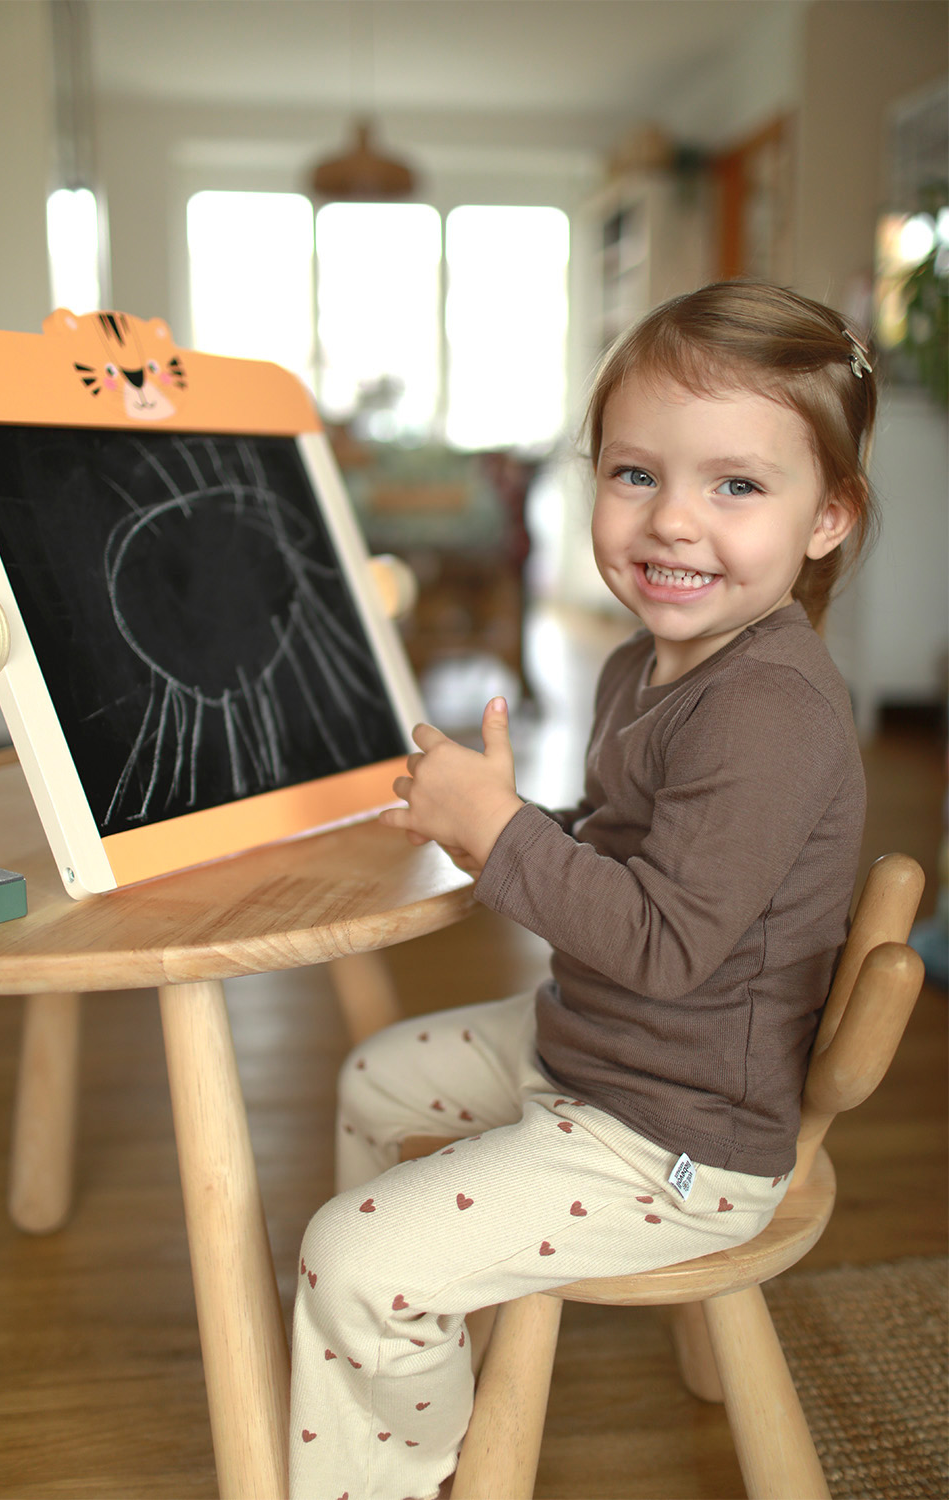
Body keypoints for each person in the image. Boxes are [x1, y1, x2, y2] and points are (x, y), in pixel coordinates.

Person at [289, 281, 877, 1500]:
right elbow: (626, 853)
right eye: (633, 476)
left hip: (675, 1137)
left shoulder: (768, 712)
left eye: (735, 486)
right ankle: (408, 1334)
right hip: (600, 1055)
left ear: (827, 518)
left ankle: (381, 1444)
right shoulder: (642, 663)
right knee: (371, 1078)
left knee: (345, 1258)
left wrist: (502, 832)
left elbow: (663, 942)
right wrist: (509, 829)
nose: (670, 523)